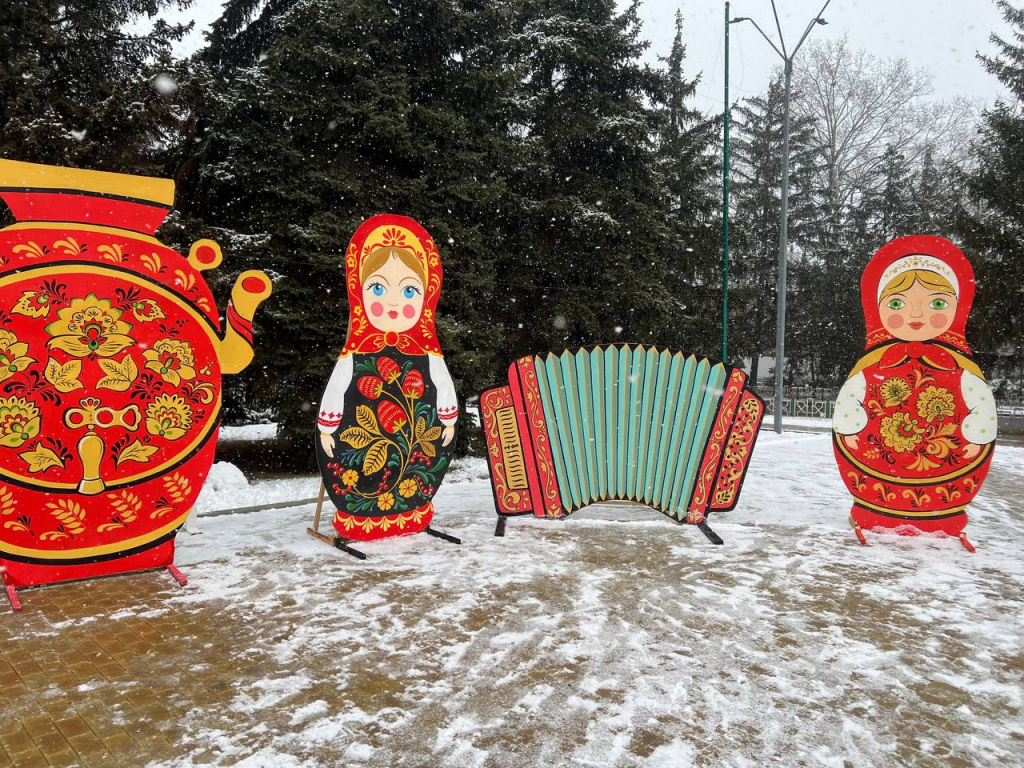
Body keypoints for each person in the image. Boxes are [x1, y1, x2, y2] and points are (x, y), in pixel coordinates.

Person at [832, 236, 996, 547]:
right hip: (877, 459)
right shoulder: (873, 364)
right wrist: (849, 427)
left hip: (947, 463)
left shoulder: (960, 368)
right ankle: (875, 511)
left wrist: (977, 434)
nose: (917, 316)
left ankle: (941, 515)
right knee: (878, 482)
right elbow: (851, 398)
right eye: (897, 304)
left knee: (941, 485)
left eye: (937, 303)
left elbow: (981, 404)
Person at [316, 215, 458, 541]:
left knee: (409, 463)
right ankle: (361, 511)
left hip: (413, 432)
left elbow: (442, 384)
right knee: (363, 465)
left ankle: (411, 507)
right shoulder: (357, 351)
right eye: (378, 287)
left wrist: (448, 421)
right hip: (360, 428)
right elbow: (337, 388)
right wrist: (326, 427)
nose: (393, 302)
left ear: (427, 294)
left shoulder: (426, 352)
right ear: (359, 290)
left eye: (409, 290)